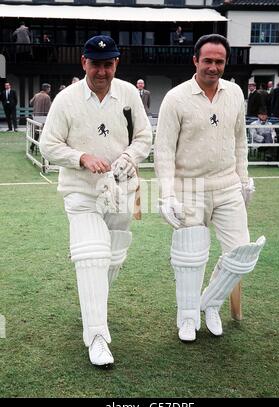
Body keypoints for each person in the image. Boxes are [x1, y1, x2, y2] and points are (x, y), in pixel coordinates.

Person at [39, 35, 152, 367]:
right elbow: (49, 144)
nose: (102, 71)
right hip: (81, 191)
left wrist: (129, 157)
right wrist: (81, 157)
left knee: (113, 256)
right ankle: (97, 336)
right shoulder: (67, 99)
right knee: (92, 255)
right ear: (83, 63)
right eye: (95, 64)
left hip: (121, 189)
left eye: (108, 64)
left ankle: (92, 308)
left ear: (116, 63)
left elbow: (143, 136)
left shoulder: (129, 94)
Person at [154, 34, 265, 343]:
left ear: (225, 63)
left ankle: (211, 304)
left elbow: (240, 141)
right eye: (208, 61)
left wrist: (244, 179)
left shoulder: (235, 93)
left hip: (227, 185)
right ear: (195, 61)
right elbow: (163, 151)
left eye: (220, 62)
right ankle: (188, 317)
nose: (214, 67)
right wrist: (167, 195)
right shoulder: (176, 98)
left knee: (241, 254)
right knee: (190, 257)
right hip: (189, 186)